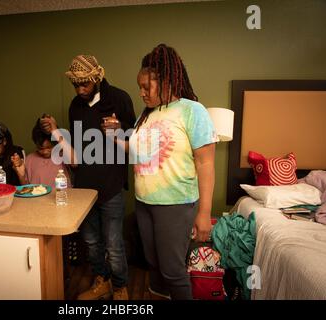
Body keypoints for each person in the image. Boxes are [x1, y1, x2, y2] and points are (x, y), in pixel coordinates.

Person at [111, 44, 218, 300]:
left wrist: (204, 213)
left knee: (172, 270)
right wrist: (116, 137)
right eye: (140, 87)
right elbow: (138, 153)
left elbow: (206, 164)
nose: (141, 93)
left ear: (168, 81)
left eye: (147, 87)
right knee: (154, 265)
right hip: (144, 202)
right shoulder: (145, 115)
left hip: (176, 204)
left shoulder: (193, 111)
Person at [40, 55, 136, 300]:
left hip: (111, 184)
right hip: (84, 186)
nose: (80, 90)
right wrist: (55, 131)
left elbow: (136, 140)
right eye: (76, 85)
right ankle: (101, 281)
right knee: (92, 242)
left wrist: (119, 128)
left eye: (85, 84)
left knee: (114, 244)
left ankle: (120, 286)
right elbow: (76, 148)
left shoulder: (120, 98)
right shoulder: (75, 105)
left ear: (96, 78)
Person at [24, 117, 73, 188]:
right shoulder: (30, 159)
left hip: (61, 197)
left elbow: (75, 163)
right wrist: (21, 174)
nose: (45, 152)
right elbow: (26, 188)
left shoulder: (63, 155)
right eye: (40, 148)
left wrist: (56, 132)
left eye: (49, 147)